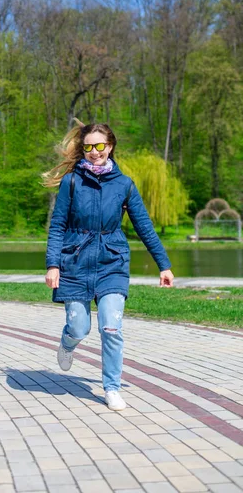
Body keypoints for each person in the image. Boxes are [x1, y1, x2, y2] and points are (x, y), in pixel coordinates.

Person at [43, 122, 174, 411]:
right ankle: (68, 343)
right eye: (88, 147)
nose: (94, 152)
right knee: (79, 327)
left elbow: (144, 227)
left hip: (111, 262)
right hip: (74, 261)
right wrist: (53, 264)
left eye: (99, 146)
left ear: (110, 146)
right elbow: (57, 226)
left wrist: (163, 265)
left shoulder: (124, 184)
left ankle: (111, 387)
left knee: (111, 328)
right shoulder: (72, 182)